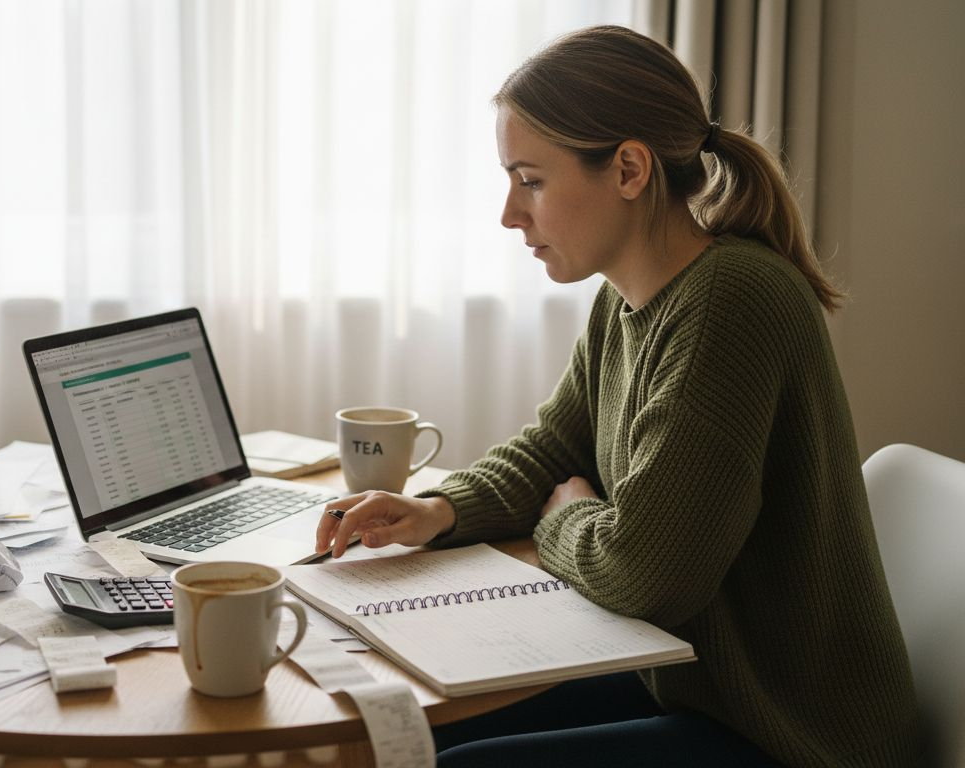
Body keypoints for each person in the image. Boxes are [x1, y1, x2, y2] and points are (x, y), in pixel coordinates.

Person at [315, 25, 922, 767]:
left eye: (531, 180)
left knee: (461, 761)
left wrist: (568, 519)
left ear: (630, 169)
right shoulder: (629, 302)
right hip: (691, 684)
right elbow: (554, 449)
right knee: (414, 728)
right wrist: (439, 511)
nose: (511, 213)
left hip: (790, 733)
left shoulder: (732, 303)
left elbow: (646, 575)